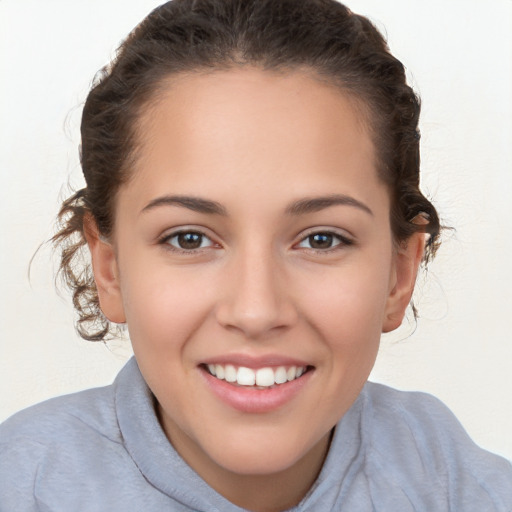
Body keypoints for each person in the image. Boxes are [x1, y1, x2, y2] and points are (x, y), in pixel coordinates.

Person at [1, 0, 511, 510]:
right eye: (189, 239)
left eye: (321, 239)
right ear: (109, 270)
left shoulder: (465, 491)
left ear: (399, 277)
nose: (256, 311)